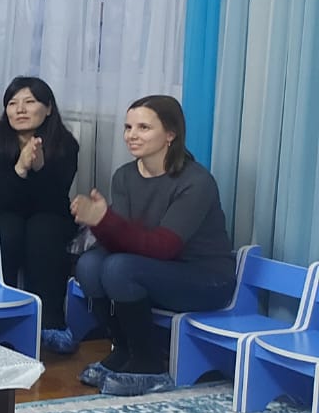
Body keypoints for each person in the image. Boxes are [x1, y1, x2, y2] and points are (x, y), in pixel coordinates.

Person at [72, 95, 236, 396]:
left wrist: (105, 220)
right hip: (153, 269)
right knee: (90, 264)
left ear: (170, 134)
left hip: (206, 278)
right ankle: (124, 349)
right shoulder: (124, 176)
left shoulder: (196, 181)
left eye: (144, 127)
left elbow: (163, 247)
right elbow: (121, 241)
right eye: (128, 127)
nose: (131, 135)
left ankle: (149, 365)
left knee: (119, 268)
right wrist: (100, 223)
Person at [0, 76, 80, 354]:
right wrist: (20, 169)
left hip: (47, 215)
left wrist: (40, 168)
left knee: (44, 230)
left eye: (29, 102)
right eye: (12, 103)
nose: (19, 110)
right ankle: (2, 317)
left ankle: (51, 321)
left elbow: (55, 200)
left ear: (48, 108)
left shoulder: (65, 145)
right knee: (8, 229)